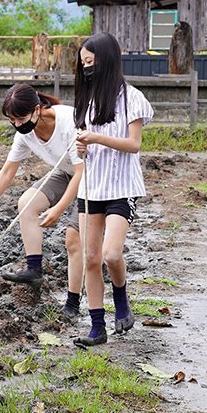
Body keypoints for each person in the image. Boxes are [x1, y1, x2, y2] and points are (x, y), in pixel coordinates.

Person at [72, 32, 154, 347]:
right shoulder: (86, 99)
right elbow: (82, 146)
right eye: (83, 64)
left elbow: (133, 145)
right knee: (90, 257)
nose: (86, 69)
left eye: (90, 62)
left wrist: (96, 138)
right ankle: (97, 327)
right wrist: (81, 148)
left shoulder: (132, 97)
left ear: (105, 60)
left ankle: (120, 298)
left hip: (121, 188)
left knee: (110, 253)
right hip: (91, 188)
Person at [0, 83, 84, 320]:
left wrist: (59, 208)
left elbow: (81, 173)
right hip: (66, 172)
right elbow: (7, 172)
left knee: (73, 239)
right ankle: (34, 269)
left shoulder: (69, 122)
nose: (17, 125)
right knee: (27, 202)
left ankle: (73, 302)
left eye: (20, 118)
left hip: (91, 175)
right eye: (11, 120)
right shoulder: (25, 134)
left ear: (37, 110)